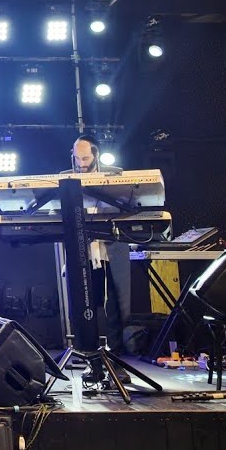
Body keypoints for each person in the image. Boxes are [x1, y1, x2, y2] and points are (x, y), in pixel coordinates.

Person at [70, 134, 132, 353]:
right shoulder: (68, 179)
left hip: (110, 248)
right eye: (77, 159)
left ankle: (116, 353)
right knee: (86, 303)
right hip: (84, 250)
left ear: (96, 155)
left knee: (115, 303)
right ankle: (88, 352)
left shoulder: (114, 175)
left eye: (85, 159)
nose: (81, 164)